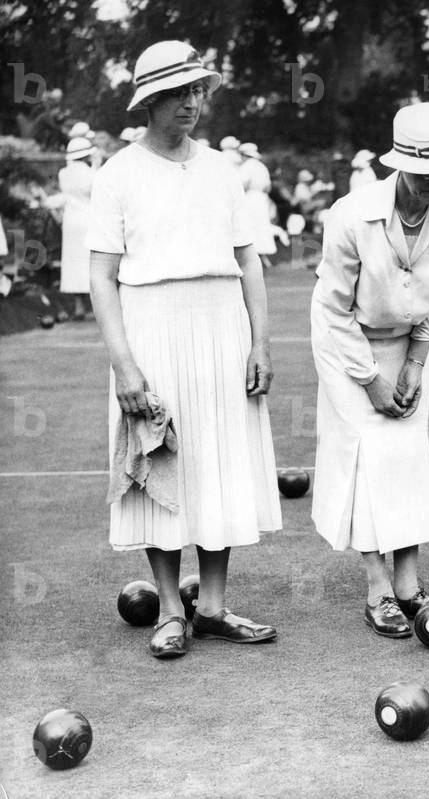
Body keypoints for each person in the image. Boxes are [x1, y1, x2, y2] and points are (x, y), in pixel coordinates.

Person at [87, 40, 281, 660]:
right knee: (161, 463)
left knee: (219, 463)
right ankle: (172, 608)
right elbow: (101, 277)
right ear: (150, 102)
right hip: (152, 329)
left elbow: (249, 261)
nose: (192, 103)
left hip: (221, 326)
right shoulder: (117, 174)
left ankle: (216, 606)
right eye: (178, 93)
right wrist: (124, 364)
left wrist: (260, 343)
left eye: (197, 91)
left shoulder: (222, 170)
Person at [310, 103, 429, 638]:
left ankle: (409, 586)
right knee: (368, 454)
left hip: (407, 346)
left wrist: (415, 365)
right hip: (346, 345)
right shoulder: (351, 215)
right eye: (425, 171)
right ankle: (377, 589)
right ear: (400, 164)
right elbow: (333, 308)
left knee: (406, 454)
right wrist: (370, 378)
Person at [59, 137, 100, 319]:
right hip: (88, 219)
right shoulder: (91, 173)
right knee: (91, 261)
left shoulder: (62, 173)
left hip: (70, 221)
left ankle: (78, 306)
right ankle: (95, 306)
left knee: (73, 261)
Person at [238, 142, 277, 267]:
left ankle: (254, 255)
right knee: (261, 225)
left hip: (250, 198)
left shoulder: (246, 167)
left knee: (250, 225)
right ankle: (262, 255)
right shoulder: (262, 167)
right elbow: (268, 187)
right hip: (262, 199)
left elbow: (242, 185)